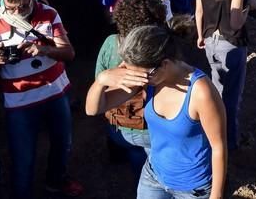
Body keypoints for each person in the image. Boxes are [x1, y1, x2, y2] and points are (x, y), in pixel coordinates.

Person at [86, 25, 227, 199]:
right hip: (154, 176)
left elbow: (218, 146)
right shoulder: (148, 79)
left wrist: (216, 195)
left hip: (193, 188)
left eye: (141, 74)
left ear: (165, 64)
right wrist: (101, 81)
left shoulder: (201, 92)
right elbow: (94, 109)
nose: (135, 78)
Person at [0, 0, 83, 198]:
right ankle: (22, 192)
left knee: (62, 143)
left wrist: (46, 50)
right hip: (20, 102)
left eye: (23, 5)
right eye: (11, 7)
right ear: (2, 0)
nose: (17, 12)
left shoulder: (49, 14)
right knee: (22, 154)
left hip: (55, 92)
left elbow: (69, 53)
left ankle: (56, 181)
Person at [94, 0, 167, 185]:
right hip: (152, 130)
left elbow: (98, 84)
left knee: (135, 153)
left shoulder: (110, 43)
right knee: (151, 163)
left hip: (119, 125)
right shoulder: (159, 48)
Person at [195, 0, 256, 151]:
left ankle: (211, 133)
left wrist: (199, 35)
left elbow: (199, 11)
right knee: (232, 96)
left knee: (216, 88)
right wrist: (250, 7)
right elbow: (235, 22)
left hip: (208, 39)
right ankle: (229, 142)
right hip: (229, 43)